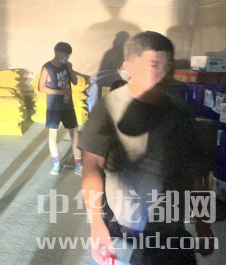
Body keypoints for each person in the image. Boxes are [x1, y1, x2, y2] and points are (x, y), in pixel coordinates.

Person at [79, 31, 215, 265]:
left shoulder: (180, 111)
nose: (164, 73)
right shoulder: (109, 108)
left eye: (168, 65)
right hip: (126, 233)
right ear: (129, 67)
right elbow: (92, 168)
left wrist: (203, 224)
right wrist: (96, 224)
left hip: (172, 231)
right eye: (154, 65)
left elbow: (193, 171)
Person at [38, 42, 82, 176]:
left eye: (69, 55)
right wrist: (59, 92)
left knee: (75, 135)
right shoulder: (47, 67)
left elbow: (75, 82)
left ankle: (78, 165)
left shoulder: (66, 65)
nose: (67, 57)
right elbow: (41, 87)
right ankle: (56, 164)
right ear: (57, 52)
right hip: (54, 107)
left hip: (68, 106)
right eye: (65, 54)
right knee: (53, 135)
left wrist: (70, 69)